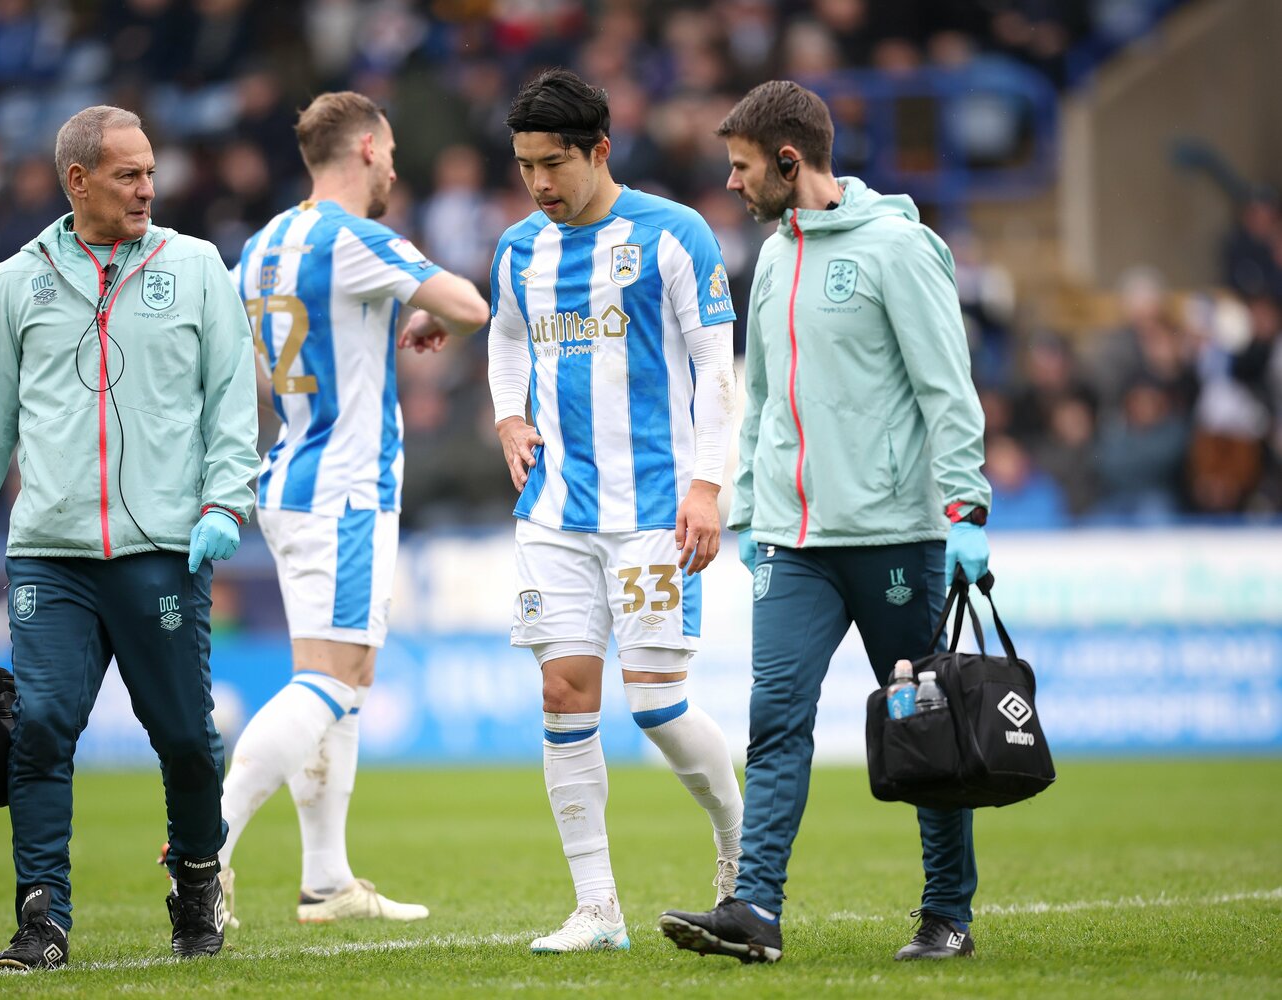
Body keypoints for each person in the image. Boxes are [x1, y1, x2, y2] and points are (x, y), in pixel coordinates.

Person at [658, 80, 993, 964]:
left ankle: (946, 914)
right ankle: (756, 912)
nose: (731, 184)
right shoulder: (773, 256)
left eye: (740, 167)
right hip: (794, 547)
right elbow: (762, 397)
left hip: (895, 536)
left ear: (789, 161)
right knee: (775, 720)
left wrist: (965, 510)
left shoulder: (901, 249)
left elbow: (946, 389)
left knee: (923, 729)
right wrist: (756, 513)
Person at [0, 105, 259, 968]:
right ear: (78, 181)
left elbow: (232, 397)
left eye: (150, 171)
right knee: (38, 730)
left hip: (163, 550)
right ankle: (43, 920)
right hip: (51, 554)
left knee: (187, 738)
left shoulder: (195, 268)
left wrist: (227, 503)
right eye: (127, 174)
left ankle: (195, 883)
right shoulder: (17, 280)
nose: (148, 186)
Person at [209, 91, 490, 926]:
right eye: (392, 151)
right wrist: (431, 311)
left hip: (289, 477)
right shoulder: (357, 239)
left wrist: (396, 316)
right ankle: (206, 843)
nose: (397, 168)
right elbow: (471, 304)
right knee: (338, 679)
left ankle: (326, 880)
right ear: (366, 148)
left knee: (331, 680)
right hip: (349, 488)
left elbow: (230, 347)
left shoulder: (260, 249)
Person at [487, 69, 745, 954]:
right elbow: (506, 337)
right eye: (525, 166)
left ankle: (737, 853)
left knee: (658, 707)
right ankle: (597, 909)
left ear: (600, 150)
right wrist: (508, 413)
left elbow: (717, 369)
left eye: (553, 164)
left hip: (651, 512)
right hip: (555, 511)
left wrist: (706, 486)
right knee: (562, 695)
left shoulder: (672, 235)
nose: (539, 185)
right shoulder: (519, 247)